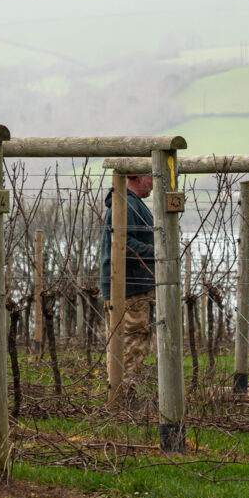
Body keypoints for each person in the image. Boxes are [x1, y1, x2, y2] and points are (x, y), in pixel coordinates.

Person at [99, 172, 155, 408]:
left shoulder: (127, 202)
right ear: (138, 177)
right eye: (151, 175)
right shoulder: (126, 204)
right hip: (129, 286)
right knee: (133, 341)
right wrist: (158, 250)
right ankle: (126, 400)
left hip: (122, 284)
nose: (154, 181)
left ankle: (118, 397)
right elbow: (122, 242)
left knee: (120, 342)